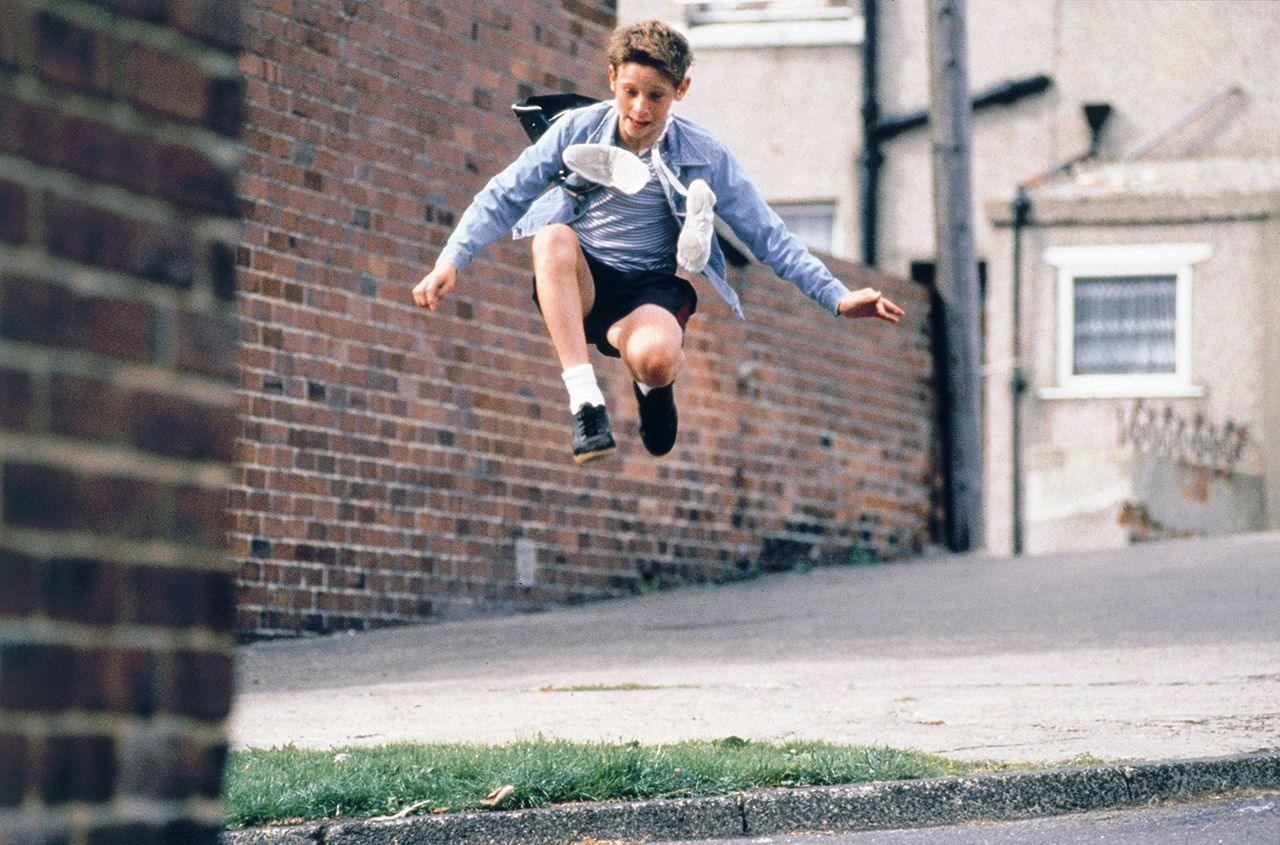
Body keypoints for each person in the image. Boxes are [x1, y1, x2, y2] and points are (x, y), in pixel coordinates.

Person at [412, 19, 904, 464]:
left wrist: (837, 296)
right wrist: (451, 258)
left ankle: (653, 392)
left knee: (656, 360)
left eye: (656, 96)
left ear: (681, 90)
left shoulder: (704, 154)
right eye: (629, 92)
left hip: (646, 289)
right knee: (551, 237)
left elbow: (768, 235)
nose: (639, 110)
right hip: (581, 280)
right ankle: (586, 405)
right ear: (611, 80)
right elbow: (504, 193)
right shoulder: (577, 130)